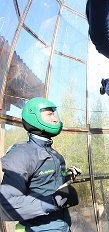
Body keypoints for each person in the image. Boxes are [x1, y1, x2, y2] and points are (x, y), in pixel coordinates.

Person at [0, 97, 81, 232]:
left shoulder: (55, 155)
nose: (55, 119)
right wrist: (52, 202)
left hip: (64, 227)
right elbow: (5, 204)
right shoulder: (21, 154)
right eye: (49, 114)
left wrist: (66, 174)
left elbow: (46, 181)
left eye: (54, 114)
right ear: (34, 117)